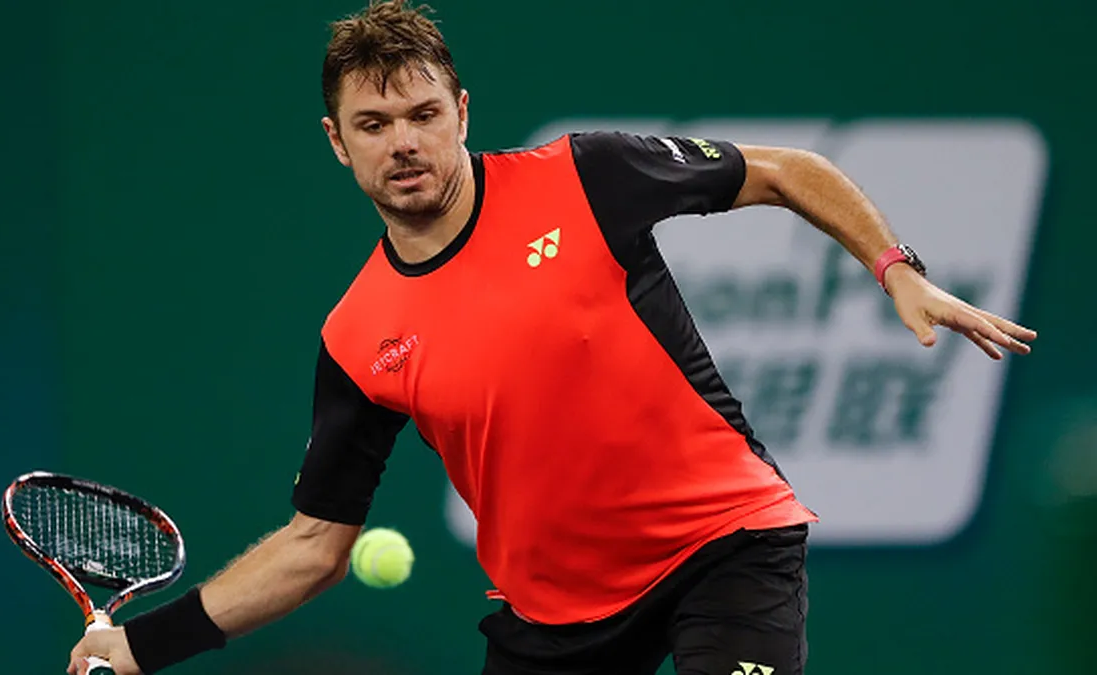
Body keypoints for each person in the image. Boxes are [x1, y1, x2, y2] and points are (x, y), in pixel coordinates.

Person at [68, 1, 1037, 673]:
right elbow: (314, 547)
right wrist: (142, 646)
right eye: (374, 123)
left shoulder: (587, 177)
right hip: (555, 618)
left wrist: (897, 269)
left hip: (723, 544)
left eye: (423, 114)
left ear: (461, 114)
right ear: (337, 140)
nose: (403, 142)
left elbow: (788, 171)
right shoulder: (358, 338)